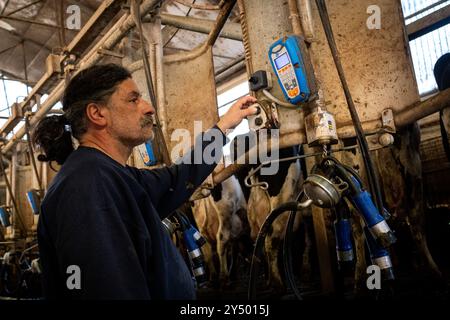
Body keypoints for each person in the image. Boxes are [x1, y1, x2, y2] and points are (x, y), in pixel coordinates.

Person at [33, 63, 257, 299]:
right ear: (97, 114)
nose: (149, 108)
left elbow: (178, 177)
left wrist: (223, 127)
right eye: (133, 100)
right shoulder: (88, 186)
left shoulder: (110, 174)